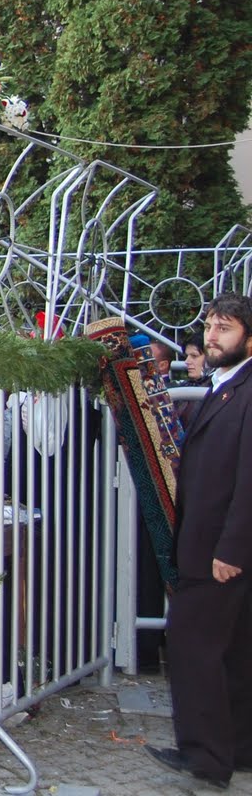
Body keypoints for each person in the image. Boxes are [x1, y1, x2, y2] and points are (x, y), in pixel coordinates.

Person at [147, 294, 252, 789]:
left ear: (248, 338)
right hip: (213, 545)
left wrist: (231, 549)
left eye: (224, 328)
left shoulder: (245, 390)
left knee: (195, 649)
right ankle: (236, 748)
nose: (211, 337)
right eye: (209, 326)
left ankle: (207, 758)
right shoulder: (225, 385)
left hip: (220, 551)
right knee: (231, 652)